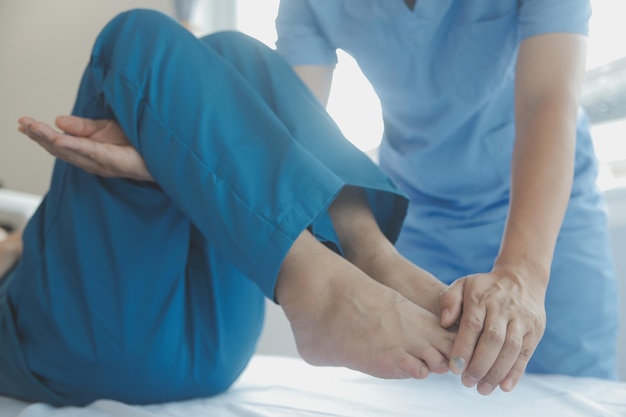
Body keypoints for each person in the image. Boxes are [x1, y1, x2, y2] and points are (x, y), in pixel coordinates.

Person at [0, 9, 456, 406]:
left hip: (206, 351)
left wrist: (158, 162)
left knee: (237, 55)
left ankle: (370, 253)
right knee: (133, 37)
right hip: (74, 348)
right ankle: (313, 284)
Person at [273, 0, 619, 396]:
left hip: (546, 221)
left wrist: (522, 271)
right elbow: (303, 136)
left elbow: (545, 99)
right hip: (418, 221)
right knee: (428, 394)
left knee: (573, 395)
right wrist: (371, 256)